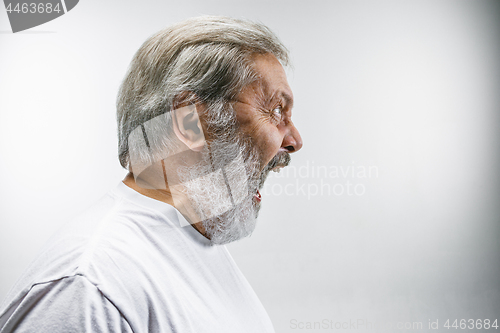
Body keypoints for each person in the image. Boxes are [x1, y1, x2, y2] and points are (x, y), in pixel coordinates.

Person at [0, 16, 302, 332]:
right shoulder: (91, 285)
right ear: (190, 122)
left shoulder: (192, 239)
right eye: (277, 111)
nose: (294, 140)